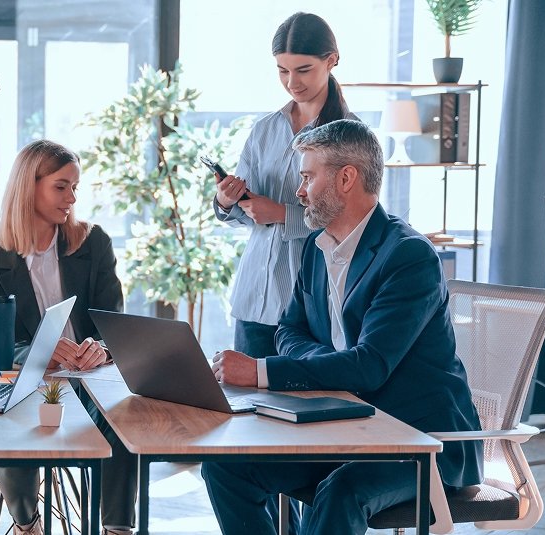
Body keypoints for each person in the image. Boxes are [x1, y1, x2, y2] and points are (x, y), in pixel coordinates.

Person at [202, 119, 483, 535]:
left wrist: (263, 371)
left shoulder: (408, 257)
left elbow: (369, 367)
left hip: (421, 441)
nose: (299, 191)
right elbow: (288, 331)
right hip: (346, 429)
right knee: (228, 466)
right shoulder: (317, 249)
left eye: (308, 177)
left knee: (342, 489)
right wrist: (335, 363)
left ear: (346, 178)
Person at [210, 12, 357, 531]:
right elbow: (239, 215)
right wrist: (226, 200)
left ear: (331, 62)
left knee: (303, 435)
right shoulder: (266, 128)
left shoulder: (348, 135)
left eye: (303, 70)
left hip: (312, 302)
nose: (292, 82)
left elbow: (352, 214)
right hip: (256, 296)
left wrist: (284, 215)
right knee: (247, 430)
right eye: (282, 71)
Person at [0, 140, 134, 535]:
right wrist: (40, 351)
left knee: (124, 420)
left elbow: (114, 323)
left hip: (89, 379)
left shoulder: (93, 242)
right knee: (6, 422)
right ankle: (28, 527)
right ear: (30, 186)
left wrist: (102, 349)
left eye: (75, 187)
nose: (72, 198)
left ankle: (117, 530)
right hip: (29, 382)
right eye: (61, 187)